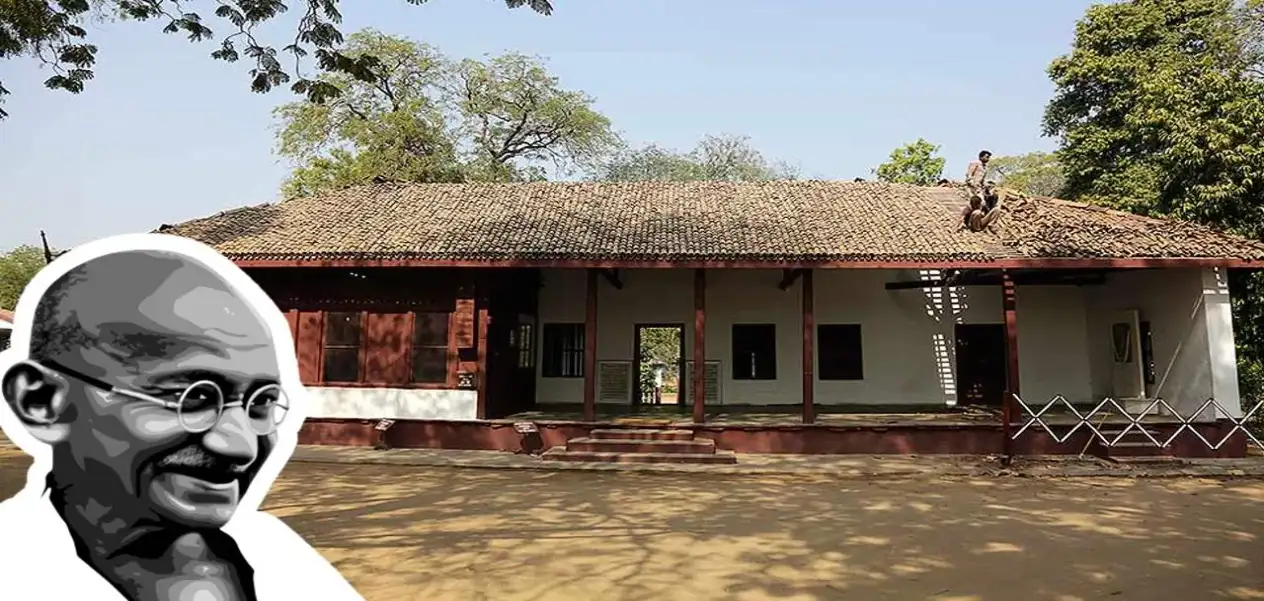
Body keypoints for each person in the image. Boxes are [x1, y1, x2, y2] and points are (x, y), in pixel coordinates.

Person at [0, 235, 364, 601]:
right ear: (42, 401)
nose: (241, 446)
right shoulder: (19, 570)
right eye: (194, 398)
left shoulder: (276, 554)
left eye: (260, 404)